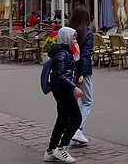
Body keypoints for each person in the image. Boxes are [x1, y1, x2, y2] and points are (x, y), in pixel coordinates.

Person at [44, 26, 83, 163]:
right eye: (73, 38)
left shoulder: (65, 52)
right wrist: (74, 88)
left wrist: (77, 76)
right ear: (66, 38)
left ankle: (51, 150)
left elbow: (67, 71)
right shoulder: (62, 54)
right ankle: (62, 148)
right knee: (76, 118)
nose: (75, 40)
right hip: (63, 90)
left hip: (61, 90)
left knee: (62, 119)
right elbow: (60, 76)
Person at [66, 6, 93, 147]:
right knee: (87, 101)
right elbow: (86, 55)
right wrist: (83, 73)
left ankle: (73, 132)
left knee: (73, 102)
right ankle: (77, 129)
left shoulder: (68, 32)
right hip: (81, 72)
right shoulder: (87, 33)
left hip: (68, 72)